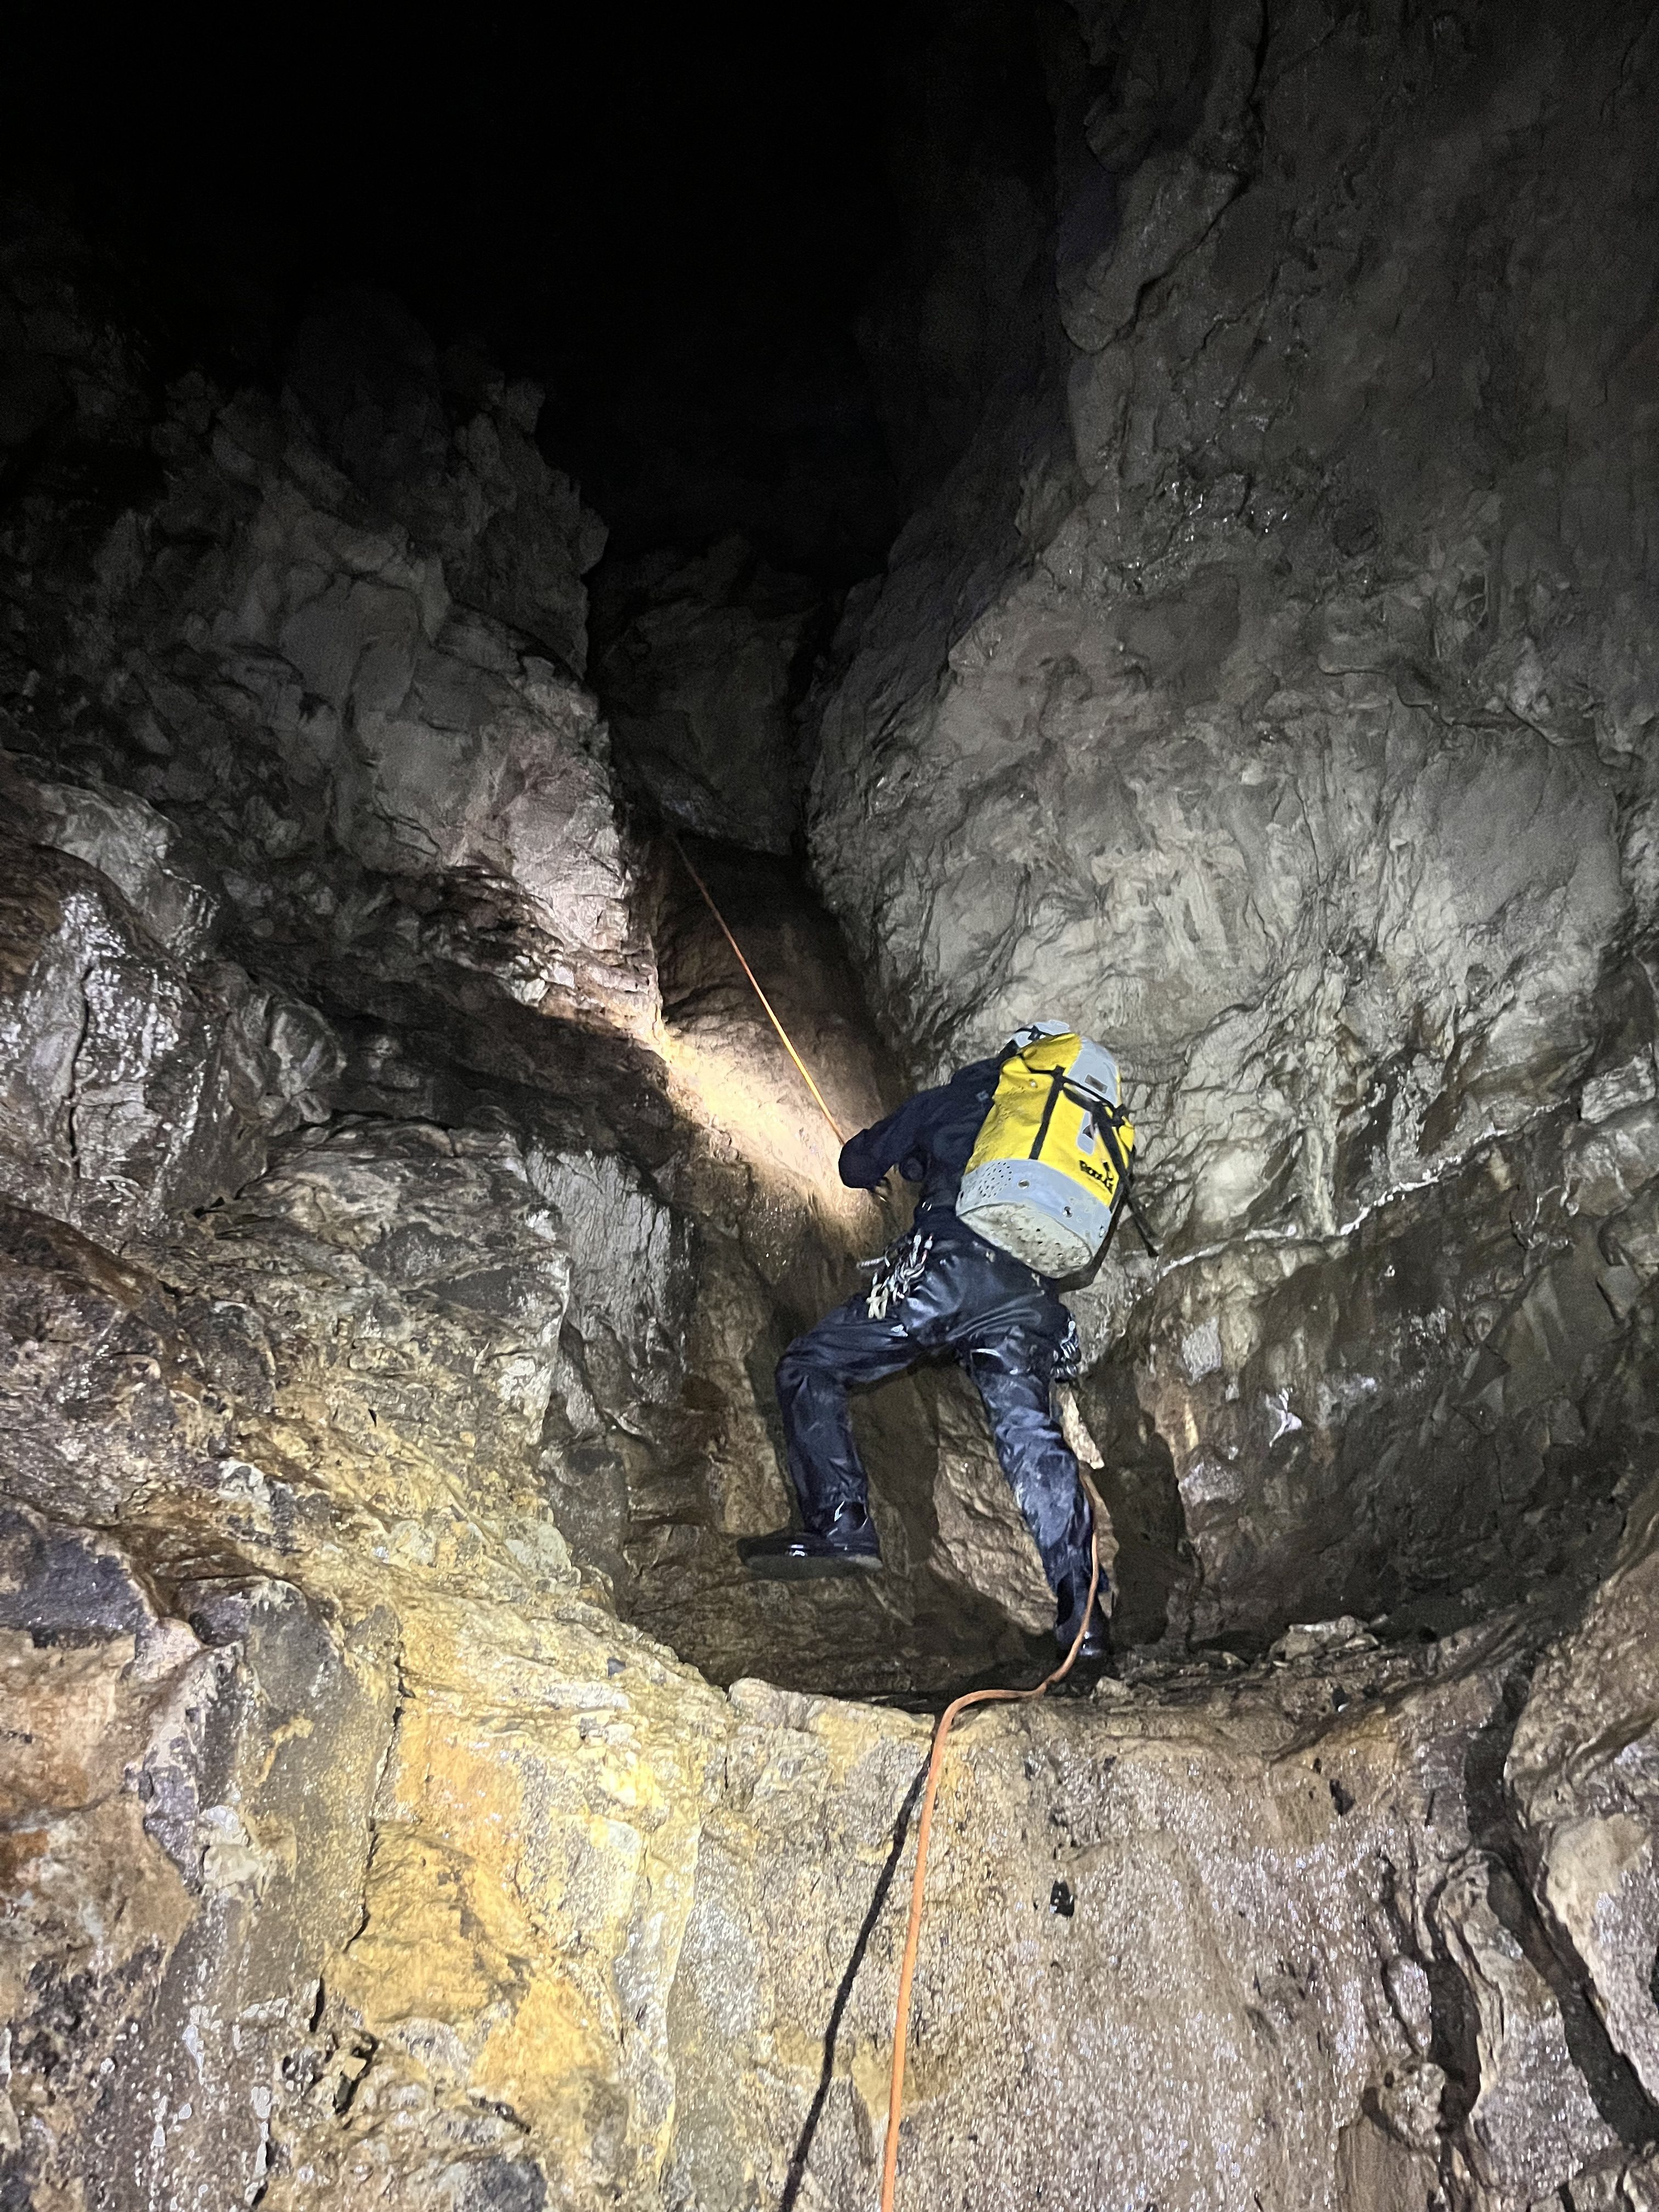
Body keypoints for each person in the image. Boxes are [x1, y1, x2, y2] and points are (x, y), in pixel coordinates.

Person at [739, 1033, 1110, 1660]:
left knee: (811, 1364)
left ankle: (841, 1524)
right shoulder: (1054, 1134)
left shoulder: (960, 1095)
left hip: (949, 1276)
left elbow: (856, 1165)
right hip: (1028, 1300)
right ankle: (1084, 1616)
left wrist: (899, 1156)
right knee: (1029, 1437)